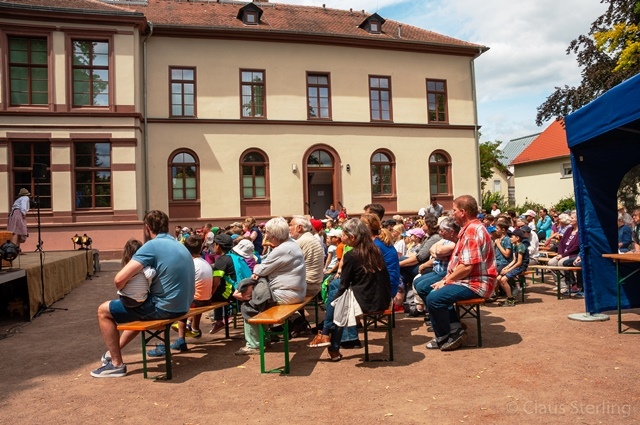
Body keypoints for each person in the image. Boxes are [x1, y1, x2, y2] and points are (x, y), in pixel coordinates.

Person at [91, 210, 194, 378]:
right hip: (184, 306)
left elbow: (119, 279)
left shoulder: (151, 246)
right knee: (139, 312)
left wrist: (124, 290)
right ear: (167, 226)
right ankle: (111, 354)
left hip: (165, 308)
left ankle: (116, 364)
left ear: (147, 228)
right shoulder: (179, 245)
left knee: (103, 311)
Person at [308, 218, 391, 361]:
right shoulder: (375, 250)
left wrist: (333, 302)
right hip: (382, 297)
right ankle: (329, 340)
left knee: (338, 299)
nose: (341, 237)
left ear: (352, 237)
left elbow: (344, 285)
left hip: (368, 301)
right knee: (337, 292)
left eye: (343, 234)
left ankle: (327, 336)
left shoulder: (351, 256)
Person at [425, 195, 497, 352]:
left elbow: (466, 267)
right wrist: (446, 280)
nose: (452, 213)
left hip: (477, 283)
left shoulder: (471, 231)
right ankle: (454, 328)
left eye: (454, 210)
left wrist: (445, 281)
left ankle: (444, 337)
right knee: (430, 290)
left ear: (463, 212)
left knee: (434, 298)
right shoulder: (471, 228)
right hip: (469, 279)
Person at [235, 217, 306, 355]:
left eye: (267, 233)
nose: (266, 237)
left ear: (274, 236)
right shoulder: (292, 244)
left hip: (286, 294)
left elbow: (261, 269)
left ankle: (254, 345)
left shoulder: (282, 250)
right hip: (296, 292)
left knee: (249, 305)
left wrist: (257, 269)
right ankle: (263, 339)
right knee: (258, 298)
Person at [149, 235, 213, 355]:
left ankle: (164, 344)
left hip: (195, 301)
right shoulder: (205, 262)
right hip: (206, 299)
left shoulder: (190, 264)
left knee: (165, 302)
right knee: (182, 300)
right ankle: (184, 337)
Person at [116, 239, 156, 308]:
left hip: (125, 299)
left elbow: (119, 283)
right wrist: (152, 269)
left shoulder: (127, 268)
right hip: (141, 300)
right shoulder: (144, 266)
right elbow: (150, 274)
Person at [496, 228, 529, 306]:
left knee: (503, 279)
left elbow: (519, 262)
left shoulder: (521, 246)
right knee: (498, 278)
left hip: (521, 267)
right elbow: (514, 260)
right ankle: (510, 297)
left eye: (512, 237)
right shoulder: (515, 246)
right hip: (516, 266)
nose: (510, 238)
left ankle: (510, 299)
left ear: (517, 238)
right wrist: (506, 267)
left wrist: (508, 270)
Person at [548, 211, 580, 292]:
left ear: (578, 220)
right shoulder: (569, 229)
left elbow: (576, 247)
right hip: (563, 254)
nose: (570, 219)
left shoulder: (580, 232)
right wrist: (560, 254)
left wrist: (563, 255)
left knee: (561, 262)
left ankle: (568, 285)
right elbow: (561, 243)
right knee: (551, 263)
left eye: (572, 218)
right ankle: (560, 284)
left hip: (573, 254)